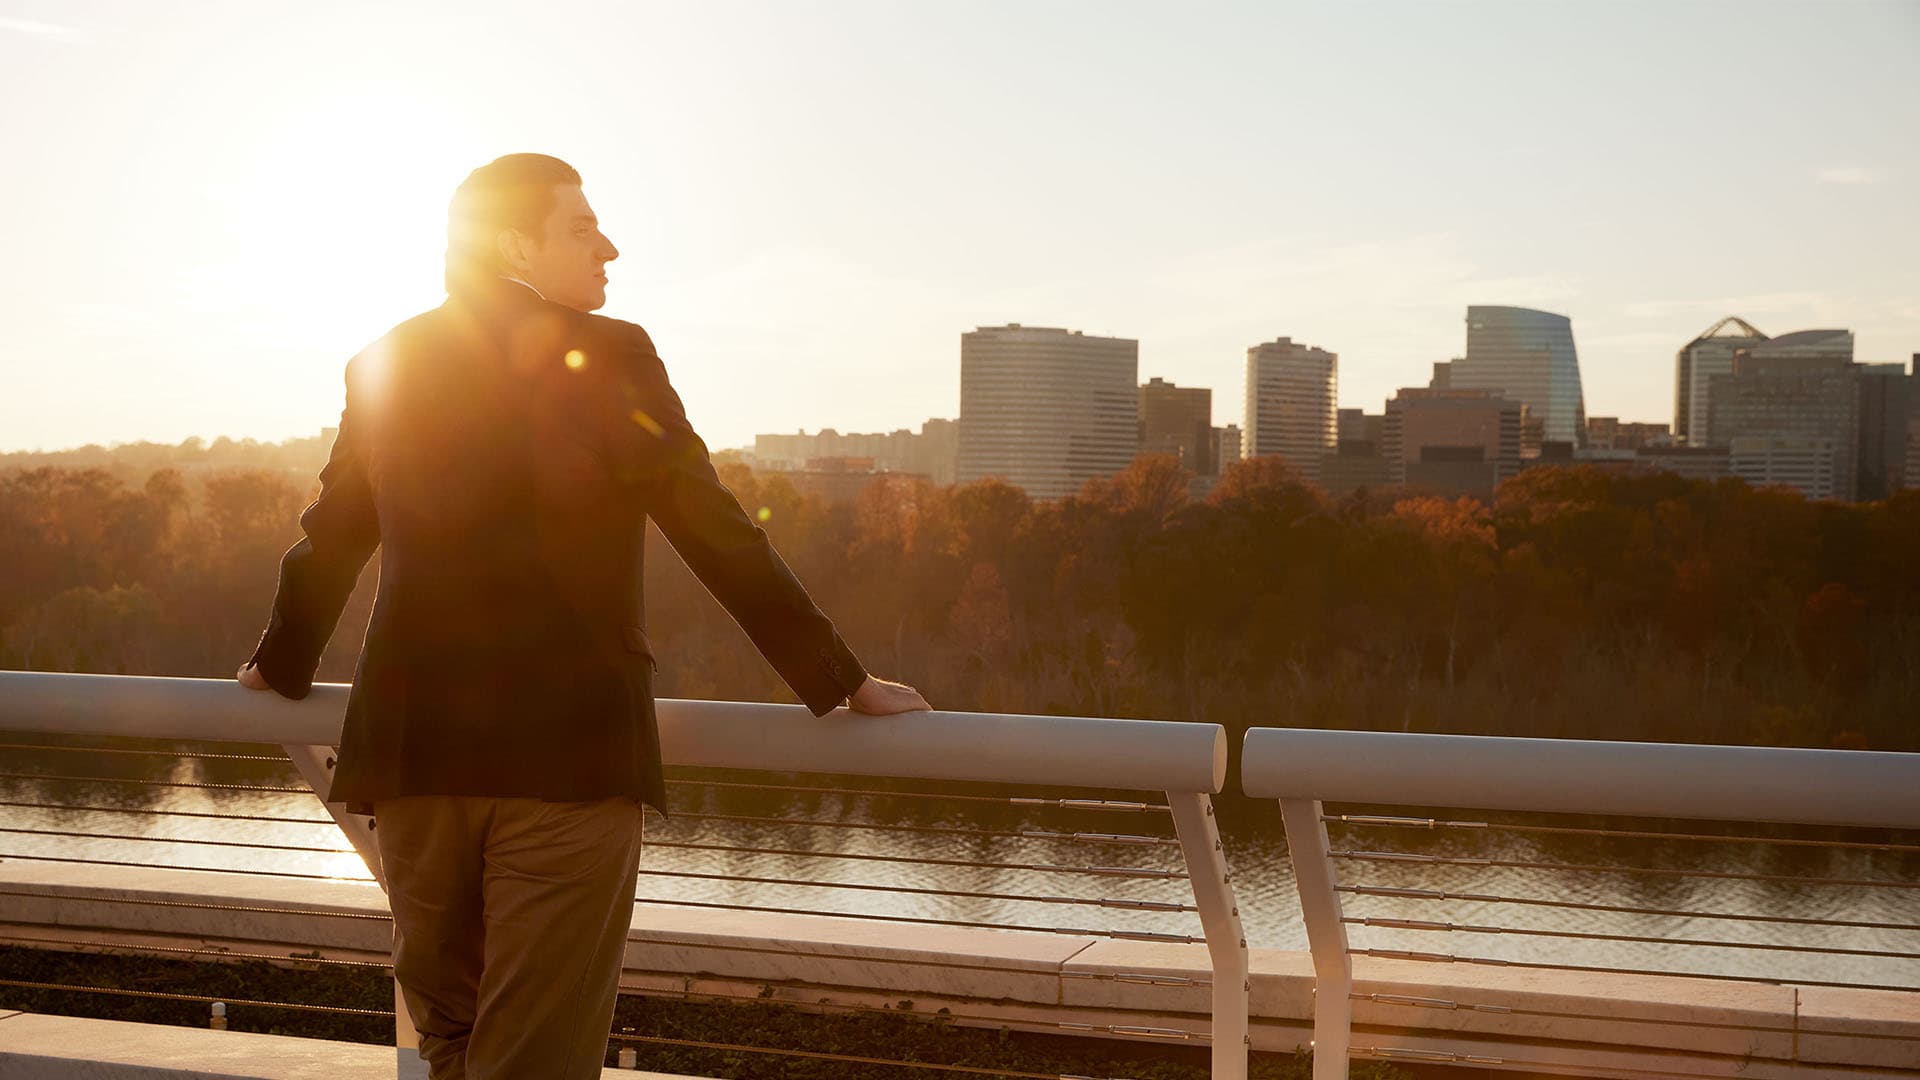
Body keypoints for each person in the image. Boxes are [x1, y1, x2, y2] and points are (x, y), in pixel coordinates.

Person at [236, 152, 929, 1080]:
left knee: (453, 1043)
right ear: (515, 241)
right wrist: (841, 678)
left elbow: (333, 537)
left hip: (411, 757)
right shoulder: (612, 357)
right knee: (530, 1060)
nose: (610, 246)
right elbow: (712, 526)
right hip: (567, 761)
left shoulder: (385, 361)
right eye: (581, 226)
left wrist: (281, 666)